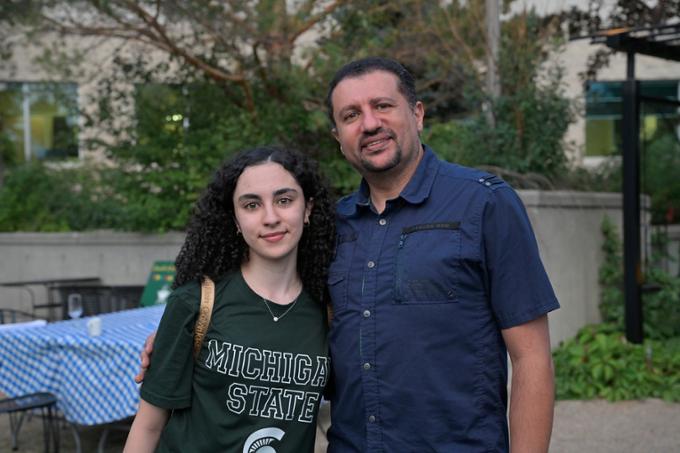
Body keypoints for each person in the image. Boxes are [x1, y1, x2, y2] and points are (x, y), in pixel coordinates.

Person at [138, 57, 560, 452]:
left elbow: (532, 358)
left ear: (417, 113)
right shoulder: (328, 229)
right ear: (339, 139)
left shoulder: (484, 204)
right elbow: (263, 293)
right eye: (351, 116)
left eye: (382, 106)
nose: (370, 124)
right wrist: (181, 335)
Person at [124, 146, 335, 452]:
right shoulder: (196, 303)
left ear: (308, 209)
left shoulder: (329, 310)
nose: (271, 217)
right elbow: (148, 426)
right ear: (235, 219)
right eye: (251, 205)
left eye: (284, 200)